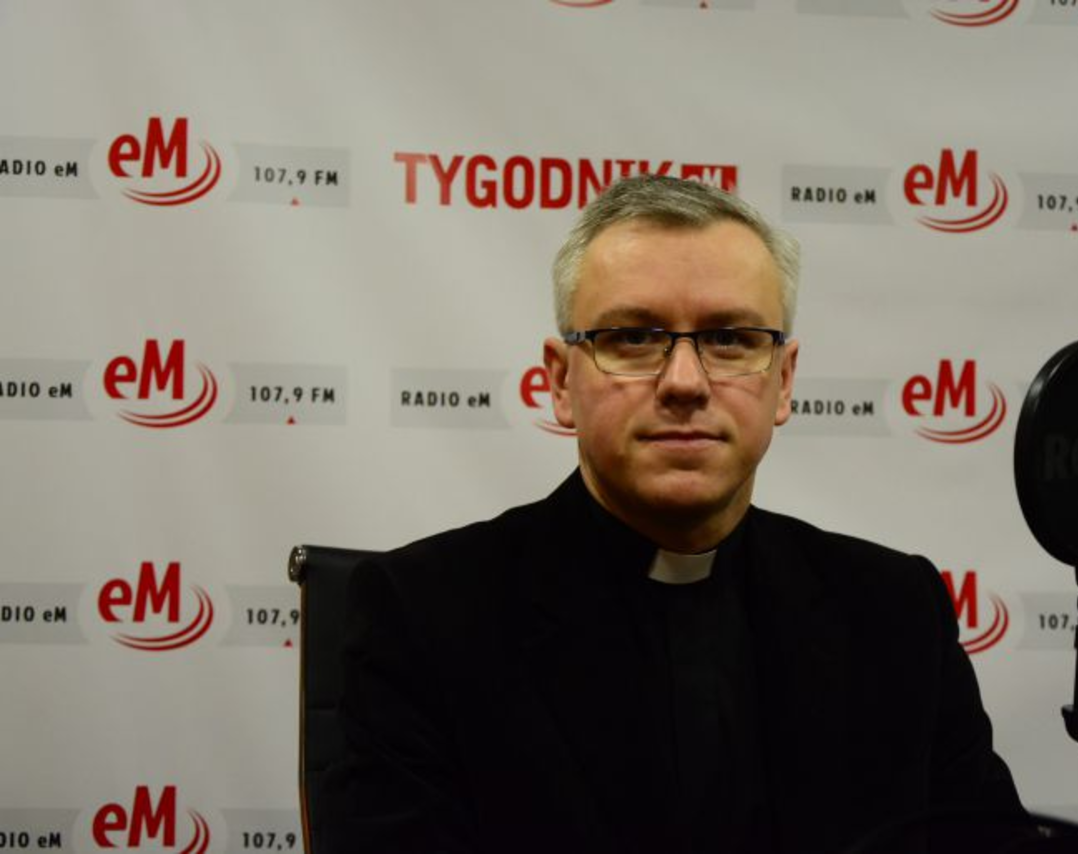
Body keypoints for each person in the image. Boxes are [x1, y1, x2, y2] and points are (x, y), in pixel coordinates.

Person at [320, 175, 1025, 854]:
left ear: (784, 381)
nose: (685, 383)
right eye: (633, 338)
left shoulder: (896, 614)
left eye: (731, 339)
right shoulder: (421, 617)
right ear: (560, 382)